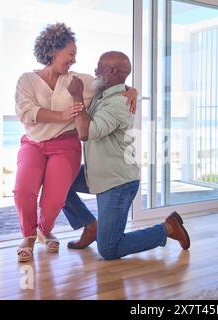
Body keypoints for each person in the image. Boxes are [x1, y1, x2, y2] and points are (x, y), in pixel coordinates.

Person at [14, 23, 137, 262]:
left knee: (55, 197)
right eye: (70, 53)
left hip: (65, 145)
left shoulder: (79, 81)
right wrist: (61, 116)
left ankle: (43, 229)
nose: (74, 59)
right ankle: (28, 236)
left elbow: (114, 81)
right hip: (33, 143)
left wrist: (133, 91)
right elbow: (25, 111)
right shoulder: (27, 80)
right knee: (22, 192)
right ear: (53, 51)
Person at [62, 51, 190, 260]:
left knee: (109, 250)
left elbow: (85, 133)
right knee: (57, 184)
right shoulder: (104, 94)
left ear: (111, 71)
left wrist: (76, 96)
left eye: (99, 66)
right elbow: (122, 88)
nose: (95, 70)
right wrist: (133, 90)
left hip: (117, 183)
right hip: (98, 173)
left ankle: (168, 228)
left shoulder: (118, 103)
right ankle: (90, 225)